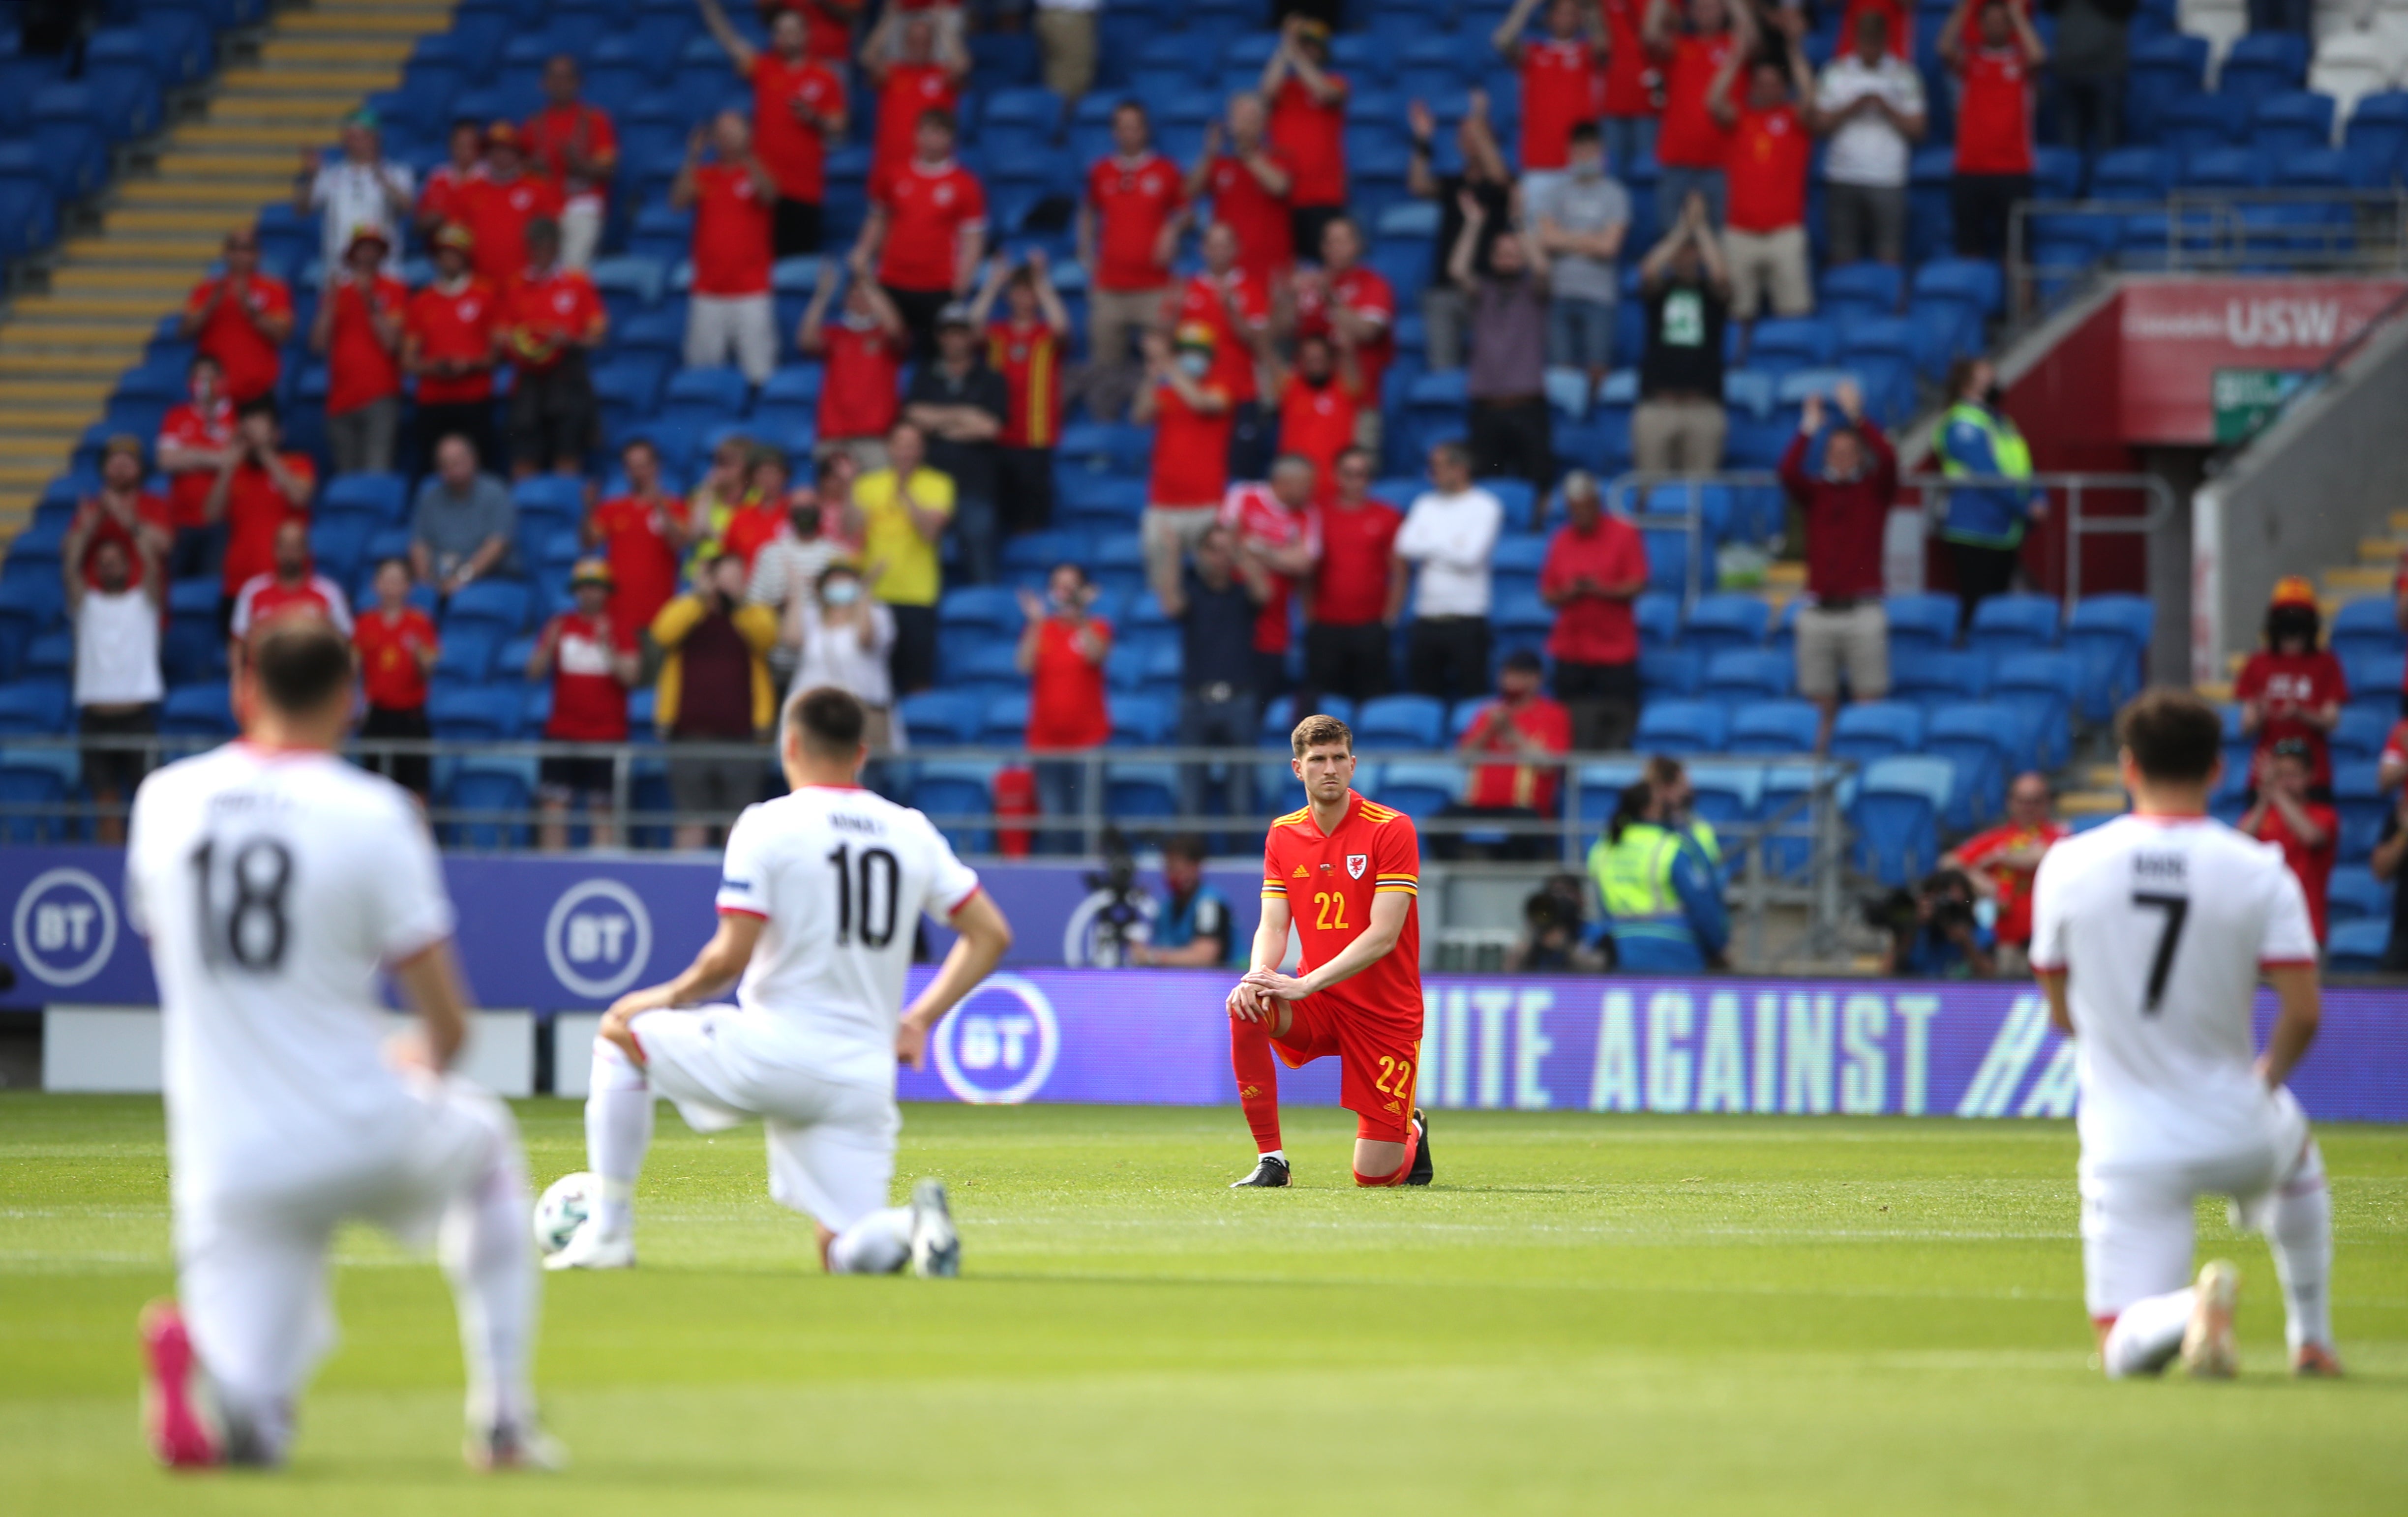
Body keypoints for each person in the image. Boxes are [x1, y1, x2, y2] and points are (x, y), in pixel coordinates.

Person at [127, 618, 551, 1471]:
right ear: (350, 700)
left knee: (258, 1424)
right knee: (486, 1142)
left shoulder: (164, 800)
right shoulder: (374, 813)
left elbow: (190, 971)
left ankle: (220, 1383)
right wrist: (402, 1053)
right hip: (355, 1119)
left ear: (245, 690)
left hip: (226, 1158)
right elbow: (450, 1028)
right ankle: (503, 1420)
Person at [546, 684, 1010, 1276]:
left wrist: (658, 999)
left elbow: (728, 958)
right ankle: (909, 1224)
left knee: (619, 1035)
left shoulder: (768, 824)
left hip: (774, 1052)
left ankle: (608, 1232)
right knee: (843, 1249)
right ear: (861, 754)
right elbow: (992, 933)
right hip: (863, 1074)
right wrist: (919, 1019)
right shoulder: (910, 829)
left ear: (789, 744)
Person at [2028, 687, 2340, 1379]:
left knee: (2121, 1351)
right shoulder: (2258, 869)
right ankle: (2311, 1338)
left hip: (2128, 1142)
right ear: (2218, 770)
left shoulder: (2069, 865)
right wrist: (2264, 1080)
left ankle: (2190, 1311)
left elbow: (2059, 1009)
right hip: (2238, 1124)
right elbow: (2305, 1010)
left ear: (2128, 766)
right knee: (2298, 1160)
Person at [1228, 713, 1433, 1190]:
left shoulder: (1392, 828)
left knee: (1374, 1177)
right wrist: (1258, 974)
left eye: (1339, 758)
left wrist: (1305, 982)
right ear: (1298, 768)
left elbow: (1384, 935)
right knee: (1246, 1006)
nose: (1330, 768)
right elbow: (1274, 924)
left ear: (1353, 764)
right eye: (1318, 759)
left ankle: (1412, 1128)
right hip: (1320, 1003)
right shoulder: (1282, 833)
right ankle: (1271, 1161)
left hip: (1385, 1012)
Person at [1780, 380, 1896, 747]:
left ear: (1861, 456)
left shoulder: (1874, 492)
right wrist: (1808, 429)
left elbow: (1890, 459)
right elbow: (1787, 471)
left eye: (1849, 452)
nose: (1842, 458)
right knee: (1818, 707)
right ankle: (1818, 772)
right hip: (1819, 610)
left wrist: (1858, 417)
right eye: (1834, 451)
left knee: (1869, 704)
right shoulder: (1816, 493)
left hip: (1863, 610)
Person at [652, 551, 782, 850]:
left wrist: (737, 605)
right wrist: (699, 598)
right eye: (725, 577)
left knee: (738, 827)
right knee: (690, 821)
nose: (730, 584)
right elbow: (663, 632)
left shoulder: (752, 614)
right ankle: (683, 891)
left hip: (743, 740)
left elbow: (767, 637)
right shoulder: (688, 611)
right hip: (689, 738)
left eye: (738, 578)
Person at [699, 0, 847, 261]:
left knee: (795, 270)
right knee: (759, 263)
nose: (786, 38)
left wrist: (814, 118)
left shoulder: (825, 76)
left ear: (806, 34)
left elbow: (839, 126)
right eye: (780, 31)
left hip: (804, 191)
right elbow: (732, 43)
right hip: (764, 189)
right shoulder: (766, 67)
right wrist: (711, 10)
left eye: (792, 31)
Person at [1079, 100, 1188, 420]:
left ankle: (1153, 431)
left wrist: (1171, 229)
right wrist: (1086, 254)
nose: (1129, 133)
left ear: (1146, 129)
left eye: (1135, 126)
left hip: (1154, 288)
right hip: (1109, 288)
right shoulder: (1101, 171)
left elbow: (1186, 211)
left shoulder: (1165, 170)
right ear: (1114, 131)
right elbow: (1087, 212)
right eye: (1122, 127)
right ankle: (1104, 437)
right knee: (1105, 369)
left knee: (1161, 364)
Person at [856, 107, 986, 363]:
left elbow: (973, 240)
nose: (932, 139)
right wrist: (863, 253)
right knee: (883, 355)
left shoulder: (965, 184)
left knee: (934, 359)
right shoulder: (894, 175)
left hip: (938, 285)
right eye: (927, 132)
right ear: (916, 135)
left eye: (940, 133)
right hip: (893, 280)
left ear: (951, 139)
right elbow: (878, 219)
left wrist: (961, 284)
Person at [528, 559, 640, 850]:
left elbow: (632, 677)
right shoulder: (559, 625)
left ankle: (601, 868)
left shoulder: (621, 628)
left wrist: (608, 649)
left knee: (602, 812)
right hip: (562, 732)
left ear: (606, 592)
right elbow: (533, 673)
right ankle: (551, 875)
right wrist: (549, 647)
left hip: (606, 735)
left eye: (596, 587)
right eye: (584, 588)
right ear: (576, 592)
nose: (590, 593)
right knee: (553, 809)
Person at [1162, 524, 1270, 824]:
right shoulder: (1193, 591)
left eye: (1226, 549)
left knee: (1240, 796)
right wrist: (1173, 555)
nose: (1220, 557)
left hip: (1240, 699)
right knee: (1191, 796)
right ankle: (1189, 866)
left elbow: (1265, 593)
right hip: (1196, 700)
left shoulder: (1242, 595)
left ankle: (1239, 865)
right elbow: (1171, 604)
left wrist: (1242, 555)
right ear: (1201, 554)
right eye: (1213, 549)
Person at [1450, 191, 1554, 492]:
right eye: (1501, 254)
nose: (1507, 260)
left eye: (1514, 254)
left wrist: (1520, 225)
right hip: (1487, 411)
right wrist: (1473, 224)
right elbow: (1457, 270)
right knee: (1487, 484)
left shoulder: (1535, 292)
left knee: (1537, 483)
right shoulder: (1483, 292)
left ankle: (1535, 537)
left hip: (1528, 407)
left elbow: (1543, 269)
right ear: (1492, 258)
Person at [1540, 469, 1649, 752]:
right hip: (1572, 650)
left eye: (1586, 507)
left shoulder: (1624, 534)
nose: (1581, 514)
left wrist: (1602, 589)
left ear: (1597, 503)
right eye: (1574, 509)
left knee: (1619, 726)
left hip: (1615, 651)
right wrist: (1571, 592)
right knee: (1570, 727)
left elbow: (1638, 584)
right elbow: (1547, 595)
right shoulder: (1561, 539)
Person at [1709, 45, 1817, 327]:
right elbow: (1714, 101)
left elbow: (1811, 100)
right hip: (1740, 233)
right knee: (1736, 315)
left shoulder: (1794, 120)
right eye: (1760, 84)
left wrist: (1793, 50)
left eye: (1773, 84)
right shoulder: (1740, 120)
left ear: (1784, 87)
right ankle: (1739, 370)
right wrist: (1736, 57)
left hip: (1785, 232)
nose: (1766, 90)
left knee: (1794, 314)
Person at [1405, 91, 1513, 372]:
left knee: (1494, 367)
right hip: (1446, 289)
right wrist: (1423, 141)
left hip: (1488, 288)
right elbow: (1418, 185)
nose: (1470, 140)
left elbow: (1500, 176)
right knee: (1443, 369)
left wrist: (1479, 121)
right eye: (1464, 135)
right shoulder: (1453, 184)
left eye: (1476, 135)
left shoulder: (1500, 184)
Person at [66, 532, 163, 846]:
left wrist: (132, 526)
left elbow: (154, 567)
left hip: (137, 716)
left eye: (114, 562)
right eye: (102, 564)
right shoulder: (86, 605)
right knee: (105, 804)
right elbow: (69, 569)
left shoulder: (144, 603)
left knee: (148, 804)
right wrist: (91, 526)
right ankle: (110, 868)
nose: (108, 569)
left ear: (127, 567)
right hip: (96, 718)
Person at [1810, 8, 1926, 268]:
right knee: (1842, 255)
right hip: (1842, 175)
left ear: (1886, 40)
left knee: (1889, 254)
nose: (1870, 49)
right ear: (1855, 39)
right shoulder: (1835, 72)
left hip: (1888, 177)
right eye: (1865, 41)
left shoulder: (1905, 75)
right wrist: (1853, 107)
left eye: (1876, 42)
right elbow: (1819, 125)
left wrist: (1886, 107)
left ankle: (1887, 304)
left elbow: (1919, 130)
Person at [903, 301, 1008, 585]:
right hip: (930, 485)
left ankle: (985, 621)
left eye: (961, 332)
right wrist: (965, 415)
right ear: (939, 337)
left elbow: (990, 428)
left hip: (975, 488)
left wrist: (938, 424)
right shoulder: (924, 375)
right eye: (948, 333)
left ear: (971, 336)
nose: (954, 339)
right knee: (921, 566)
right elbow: (913, 417)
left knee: (981, 567)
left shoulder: (991, 378)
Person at [1526, 123, 1631, 405]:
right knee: (1561, 375)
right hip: (1560, 293)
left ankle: (1595, 426)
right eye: (1579, 150)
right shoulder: (1555, 192)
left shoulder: (1615, 194)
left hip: (1599, 296)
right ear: (1570, 152)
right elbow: (1546, 239)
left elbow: (1610, 247)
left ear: (1601, 152)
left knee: (1599, 372)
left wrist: (1566, 238)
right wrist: (1590, 239)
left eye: (1591, 149)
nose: (1585, 156)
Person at [1932, 357, 2040, 631]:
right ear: (1967, 387)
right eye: (1987, 379)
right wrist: (2026, 507)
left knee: (1998, 609)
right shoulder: (1962, 423)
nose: (1995, 384)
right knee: (1976, 608)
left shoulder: (2001, 422)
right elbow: (1988, 474)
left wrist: (2040, 497)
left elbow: (2023, 467)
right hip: (1973, 527)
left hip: (2004, 528)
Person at [673, 112, 780, 386]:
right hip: (709, 289)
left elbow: (770, 195)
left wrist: (749, 155)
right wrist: (693, 156)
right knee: (702, 372)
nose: (728, 139)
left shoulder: (757, 170)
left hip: (751, 290)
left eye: (734, 132)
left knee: (759, 371)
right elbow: (677, 201)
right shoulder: (705, 174)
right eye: (722, 134)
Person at [1395, 441, 1505, 706]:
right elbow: (1405, 546)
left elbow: (1470, 557)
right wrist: (1451, 544)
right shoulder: (1425, 504)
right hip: (1426, 618)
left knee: (1472, 700)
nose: (1431, 475)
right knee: (1423, 701)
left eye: (1438, 468)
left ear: (1460, 469)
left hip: (1467, 619)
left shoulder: (1486, 506)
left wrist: (1430, 548)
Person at [1631, 192, 1733, 474]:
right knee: (1651, 490)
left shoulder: (1710, 295)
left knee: (1699, 495)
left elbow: (1721, 275)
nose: (1684, 255)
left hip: (1702, 405)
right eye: (1679, 250)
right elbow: (1649, 270)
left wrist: (1700, 228)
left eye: (1691, 249)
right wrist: (1682, 230)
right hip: (1658, 404)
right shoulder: (1660, 293)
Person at [1017, 563, 1114, 853]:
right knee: (1054, 825)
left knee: (1089, 827)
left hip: (1088, 743)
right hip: (1046, 744)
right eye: (1060, 586)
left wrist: (1081, 615)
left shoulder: (1096, 626)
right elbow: (1024, 665)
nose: (1066, 593)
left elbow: (1096, 655)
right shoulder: (1041, 629)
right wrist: (1035, 622)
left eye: (1072, 587)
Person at [1135, 324, 1235, 604]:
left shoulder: (1221, 386)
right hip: (1164, 504)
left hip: (1207, 503)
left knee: (1214, 580)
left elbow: (1202, 403)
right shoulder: (1168, 391)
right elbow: (1140, 416)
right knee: (1160, 588)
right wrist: (1152, 378)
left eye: (1199, 353)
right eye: (1186, 353)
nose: (1192, 358)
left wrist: (1168, 363)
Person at [851, 419, 953, 695]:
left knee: (918, 680)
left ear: (922, 450)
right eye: (900, 445)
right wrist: (850, 488)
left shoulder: (939, 484)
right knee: (875, 679)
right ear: (889, 448)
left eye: (913, 446)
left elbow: (930, 533)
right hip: (876, 594)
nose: (906, 452)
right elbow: (849, 529)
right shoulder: (867, 485)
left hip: (919, 594)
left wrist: (905, 492)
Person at [973, 251, 1070, 537]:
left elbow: (1062, 327)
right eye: (1017, 292)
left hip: (1036, 438)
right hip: (998, 437)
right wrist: (992, 286)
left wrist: (1043, 282)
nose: (1023, 298)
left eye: (1029, 293)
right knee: (998, 514)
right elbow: (972, 328)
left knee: (1032, 519)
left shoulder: (1045, 335)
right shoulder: (996, 334)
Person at [1939, 0, 2046, 261]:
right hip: (1970, 170)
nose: (1996, 26)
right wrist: (1965, 10)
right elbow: (1943, 48)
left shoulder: (2021, 62)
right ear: (1980, 25)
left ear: (2010, 26)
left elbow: (2039, 56)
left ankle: (2021, 303)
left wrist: (2018, 17)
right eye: (1990, 21)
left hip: (2013, 169)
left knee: (2018, 253)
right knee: (1969, 251)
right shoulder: (1970, 62)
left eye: (2002, 21)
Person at [1443, 649, 1574, 861]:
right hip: (1480, 804)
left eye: (1519, 676)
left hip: (1526, 807)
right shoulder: (1489, 712)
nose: (1510, 682)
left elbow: (1549, 766)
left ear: (1536, 680)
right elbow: (1463, 758)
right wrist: (1488, 731)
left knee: (1523, 832)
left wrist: (1512, 733)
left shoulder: (1554, 714)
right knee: (1440, 824)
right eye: (1507, 675)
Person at [502, 216, 607, 478]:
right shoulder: (516, 285)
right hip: (528, 381)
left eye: (547, 247)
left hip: (567, 379)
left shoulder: (577, 283)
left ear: (557, 247)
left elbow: (598, 335)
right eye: (535, 247)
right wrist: (515, 339)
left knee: (567, 455)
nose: (541, 254)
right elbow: (499, 333)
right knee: (525, 458)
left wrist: (568, 339)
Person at [1587, 775, 1729, 970]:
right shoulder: (1670, 847)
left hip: (1620, 949)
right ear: (1649, 809)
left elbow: (1601, 906)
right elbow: (1702, 906)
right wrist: (1717, 945)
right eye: (1663, 802)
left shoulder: (1602, 848)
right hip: (1673, 949)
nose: (1670, 805)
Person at [1170, 220, 1274, 482]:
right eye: (1212, 244)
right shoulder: (1187, 289)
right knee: (1200, 470)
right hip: (1198, 395)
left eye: (1225, 244)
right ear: (1202, 249)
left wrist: (1230, 309)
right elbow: (1167, 341)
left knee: (1239, 472)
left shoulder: (1251, 289)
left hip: (1242, 393)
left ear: (1237, 249)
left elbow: (1256, 341)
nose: (1218, 251)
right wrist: (1172, 312)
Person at [205, 401, 315, 640]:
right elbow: (211, 515)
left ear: (278, 435)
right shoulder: (235, 472)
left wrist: (265, 452)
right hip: (239, 584)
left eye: (260, 431)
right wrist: (228, 465)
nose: (253, 439)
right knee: (243, 663)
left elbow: (300, 498)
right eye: (248, 432)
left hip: (287, 582)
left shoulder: (298, 464)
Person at [1941, 770, 2066, 974]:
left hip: (2049, 943)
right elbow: (1948, 863)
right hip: (2003, 943)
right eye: (2023, 801)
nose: (2029, 808)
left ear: (2047, 803)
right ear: (2011, 802)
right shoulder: (1997, 837)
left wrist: (1999, 857)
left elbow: (2043, 856)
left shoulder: (2059, 834)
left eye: (2036, 801)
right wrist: (1977, 879)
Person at [1303, 448, 1402, 707]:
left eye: (1361, 475)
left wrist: (1389, 617)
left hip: (1370, 625)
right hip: (1326, 625)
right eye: (1348, 474)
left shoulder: (1387, 515)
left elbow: (1400, 571)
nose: (1354, 482)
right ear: (1336, 475)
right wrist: (1309, 615)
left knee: (1372, 700)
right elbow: (1306, 570)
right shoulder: (1317, 514)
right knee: (1325, 705)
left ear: (1370, 479)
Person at [1290, 215, 1396, 456]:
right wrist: (1286, 298)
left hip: (1360, 401)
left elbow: (1369, 331)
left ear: (1357, 245)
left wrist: (1330, 300)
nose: (1335, 247)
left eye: (1342, 241)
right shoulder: (1309, 284)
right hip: (1311, 401)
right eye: (1330, 241)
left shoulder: (1374, 284)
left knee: (1355, 476)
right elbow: (1286, 332)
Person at [1220, 454, 1323, 700]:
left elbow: (1304, 564)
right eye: (1306, 484)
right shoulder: (1245, 495)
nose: (1312, 490)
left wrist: (1259, 549)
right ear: (1283, 482)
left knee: (1263, 695)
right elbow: (1225, 543)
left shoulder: (1308, 513)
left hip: (1275, 625)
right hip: (1232, 615)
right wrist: (1281, 555)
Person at [311, 224, 407, 476]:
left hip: (380, 396)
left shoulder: (394, 289)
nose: (368, 254)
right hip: (340, 400)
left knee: (377, 474)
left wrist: (370, 301)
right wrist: (330, 303)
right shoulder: (337, 293)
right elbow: (318, 345)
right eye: (362, 248)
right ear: (351, 253)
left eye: (374, 248)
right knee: (347, 479)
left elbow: (392, 344)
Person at [2236, 578, 2347, 795]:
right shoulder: (2257, 663)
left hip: (2313, 775)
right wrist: (2261, 714)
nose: (2293, 621)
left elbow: (2332, 721)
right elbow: (2246, 727)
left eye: (2299, 614)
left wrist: (2301, 713)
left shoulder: (2327, 662)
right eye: (2287, 614)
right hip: (2266, 773)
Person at [1643, 0, 1747, 230]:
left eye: (1711, 6)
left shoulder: (1734, 45)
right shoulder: (1680, 46)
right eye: (1699, 7)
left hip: (1722, 163)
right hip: (1677, 160)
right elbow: (1650, 36)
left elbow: (1749, 33)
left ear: (1723, 10)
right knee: (1673, 238)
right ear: (1690, 13)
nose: (1705, 12)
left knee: (1720, 241)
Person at [404, 224, 502, 470]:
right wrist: (434, 367)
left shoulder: (485, 295)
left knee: (478, 469)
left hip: (474, 399)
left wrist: (469, 365)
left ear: (466, 256)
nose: (449, 259)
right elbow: (407, 359)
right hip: (433, 400)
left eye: (455, 253)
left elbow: (499, 353)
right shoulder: (422, 301)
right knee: (433, 471)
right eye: (444, 253)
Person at [800, 250, 907, 470]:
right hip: (833, 436)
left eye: (864, 296)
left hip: (875, 437)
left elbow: (896, 329)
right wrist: (822, 295)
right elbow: (806, 341)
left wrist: (867, 281)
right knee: (831, 500)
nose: (859, 300)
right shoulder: (836, 334)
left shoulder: (883, 336)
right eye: (853, 295)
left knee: (875, 499)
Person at [784, 561, 900, 754]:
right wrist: (797, 592)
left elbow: (866, 639)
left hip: (863, 713)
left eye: (846, 583)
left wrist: (865, 596)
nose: (839, 588)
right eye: (834, 583)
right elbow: (791, 640)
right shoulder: (812, 616)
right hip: (816, 716)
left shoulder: (878, 614)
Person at [1260, 15, 1349, 260]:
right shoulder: (1285, 88)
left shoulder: (1337, 82)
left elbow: (1324, 92)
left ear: (1323, 51)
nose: (1307, 50)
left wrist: (1294, 52)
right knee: (1287, 267)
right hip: (1284, 195)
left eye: (1312, 45)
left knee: (1325, 264)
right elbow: (1265, 92)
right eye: (1304, 44)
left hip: (1324, 195)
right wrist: (1284, 47)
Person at [585, 438, 693, 638]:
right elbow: (589, 543)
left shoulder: (677, 507)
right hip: (618, 611)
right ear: (626, 471)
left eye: (644, 466)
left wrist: (660, 505)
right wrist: (589, 509)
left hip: (661, 612)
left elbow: (678, 543)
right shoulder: (611, 508)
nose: (639, 473)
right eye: (633, 467)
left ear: (656, 467)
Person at [352, 557, 440, 801]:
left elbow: (429, 670)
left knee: (416, 790)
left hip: (411, 716)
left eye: (398, 581)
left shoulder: (420, 624)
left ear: (408, 587)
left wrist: (422, 659)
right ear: (376, 585)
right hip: (378, 716)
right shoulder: (364, 624)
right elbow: (352, 669)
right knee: (374, 789)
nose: (392, 587)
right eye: (386, 580)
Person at [521, 55, 618, 269]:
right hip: (545, 207)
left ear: (578, 83)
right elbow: (521, 172)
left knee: (571, 270)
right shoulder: (534, 124)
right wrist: (532, 168)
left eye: (566, 78)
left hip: (582, 204)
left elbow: (609, 170)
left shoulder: (595, 120)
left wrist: (579, 165)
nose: (560, 84)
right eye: (554, 78)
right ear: (543, 84)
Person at [1189, 91, 1294, 287]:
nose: (1242, 125)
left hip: (1269, 269)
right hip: (1227, 270)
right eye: (1237, 118)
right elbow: (1190, 192)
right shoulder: (1220, 163)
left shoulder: (1279, 158)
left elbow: (1280, 187)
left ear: (1263, 124)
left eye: (1249, 118)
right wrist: (1209, 153)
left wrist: (1248, 154)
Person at [1495, 0, 1613, 174]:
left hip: (1581, 162)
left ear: (1579, 19)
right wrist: (1526, 6)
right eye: (1560, 13)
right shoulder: (1534, 53)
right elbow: (1502, 42)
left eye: (1572, 13)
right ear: (1549, 17)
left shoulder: (1586, 52)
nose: (1566, 18)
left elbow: (1604, 45)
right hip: (1539, 161)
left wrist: (1590, 7)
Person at [2240, 740, 2339, 948]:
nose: (2285, 782)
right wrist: (2262, 802)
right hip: (2261, 929)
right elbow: (2238, 845)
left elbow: (2311, 836)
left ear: (2310, 776)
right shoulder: (2261, 814)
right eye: (2280, 774)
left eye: (2293, 775)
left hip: (2307, 930)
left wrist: (2276, 792)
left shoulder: (2324, 815)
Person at [178, 228, 293, 406]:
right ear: (226, 253)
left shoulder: (275, 289)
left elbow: (282, 335)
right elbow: (184, 332)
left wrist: (252, 312)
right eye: (235, 248)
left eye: (246, 249)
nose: (240, 255)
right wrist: (209, 308)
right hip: (214, 393)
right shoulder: (206, 290)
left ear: (258, 254)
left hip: (258, 392)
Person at [860, 6, 969, 184]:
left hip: (933, 172)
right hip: (889, 170)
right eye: (913, 40)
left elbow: (963, 65)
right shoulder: (892, 73)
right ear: (905, 43)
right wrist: (891, 17)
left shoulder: (941, 75)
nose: (919, 45)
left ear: (932, 44)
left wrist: (942, 23)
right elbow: (867, 57)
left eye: (925, 41)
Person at [295, 111, 412, 275]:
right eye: (350, 136)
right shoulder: (329, 176)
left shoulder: (396, 173)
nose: (355, 142)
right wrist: (310, 178)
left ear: (375, 139)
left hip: (384, 271)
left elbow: (408, 208)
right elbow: (302, 210)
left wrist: (385, 182)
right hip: (340, 272)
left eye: (361, 136)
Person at [157, 353, 237, 582]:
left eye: (211, 378)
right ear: (189, 383)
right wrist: (217, 458)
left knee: (212, 587)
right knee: (174, 588)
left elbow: (237, 461)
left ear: (224, 381)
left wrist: (189, 454)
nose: (206, 385)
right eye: (200, 379)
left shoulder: (236, 416)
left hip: (223, 523)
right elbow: (166, 461)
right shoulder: (176, 416)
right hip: (180, 523)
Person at [409, 434, 517, 599]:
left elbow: (497, 545)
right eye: (446, 464)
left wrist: (462, 578)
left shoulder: (496, 492)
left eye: (458, 462)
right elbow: (419, 543)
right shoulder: (430, 496)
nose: (453, 469)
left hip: (483, 579)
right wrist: (425, 582)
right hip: (438, 578)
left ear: (474, 459)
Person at [229, 519, 353, 657]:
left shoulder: (329, 592)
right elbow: (238, 641)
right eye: (284, 547)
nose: (289, 554)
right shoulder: (252, 590)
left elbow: (345, 641)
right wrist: (238, 676)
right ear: (275, 550)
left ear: (306, 550)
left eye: (295, 547)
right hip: (263, 676)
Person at [458, 123, 563, 288]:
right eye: (495, 150)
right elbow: (458, 238)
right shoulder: (469, 190)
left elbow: (550, 234)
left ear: (518, 155)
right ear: (487, 154)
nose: (501, 156)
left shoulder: (537, 189)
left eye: (507, 150)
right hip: (480, 285)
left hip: (526, 286)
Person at [65, 434, 173, 592]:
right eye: (114, 462)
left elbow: (166, 546)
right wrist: (89, 527)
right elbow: (67, 551)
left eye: (128, 462)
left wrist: (131, 523)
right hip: (97, 599)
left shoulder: (156, 505)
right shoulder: (92, 508)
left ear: (140, 468)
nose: (121, 467)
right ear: (104, 468)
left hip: (144, 598)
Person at [1270, 331, 1360, 489]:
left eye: (1320, 359)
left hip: (1335, 487)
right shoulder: (1290, 387)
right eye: (1309, 359)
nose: (1315, 365)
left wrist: (1346, 348)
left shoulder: (1345, 388)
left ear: (1331, 361)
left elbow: (1349, 357)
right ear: (1300, 362)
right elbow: (1265, 351)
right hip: (1295, 487)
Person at [1130, 834, 1234, 968]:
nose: (1173, 876)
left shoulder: (1210, 904)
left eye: (1178, 870)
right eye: (1169, 869)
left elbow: (1205, 956)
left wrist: (1152, 957)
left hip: (1218, 983)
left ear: (1196, 867)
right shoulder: (1165, 908)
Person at [2045, 0, 2131, 154]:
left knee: (2107, 147)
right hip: (2068, 70)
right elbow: (2049, 7)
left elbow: (2126, 7)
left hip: (2106, 69)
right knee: (2069, 151)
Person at [1879, 867, 1998, 977]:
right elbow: (1886, 974)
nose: (1948, 908)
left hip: (1963, 998)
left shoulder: (1981, 934)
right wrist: (1911, 928)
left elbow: (1990, 979)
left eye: (1955, 904)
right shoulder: (1916, 932)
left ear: (1968, 901)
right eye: (1942, 901)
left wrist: (1966, 942)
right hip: (1921, 996)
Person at [414, 118, 487, 242]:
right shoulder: (437, 177)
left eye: (469, 146)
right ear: (451, 147)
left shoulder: (488, 177)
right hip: (441, 250)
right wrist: (430, 221)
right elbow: (419, 225)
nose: (464, 151)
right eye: (459, 145)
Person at [1034, 0, 1100, 118]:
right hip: (1066, 12)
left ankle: (1061, 122)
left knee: (1067, 71)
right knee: (1070, 73)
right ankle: (1061, 125)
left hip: (1069, 14)